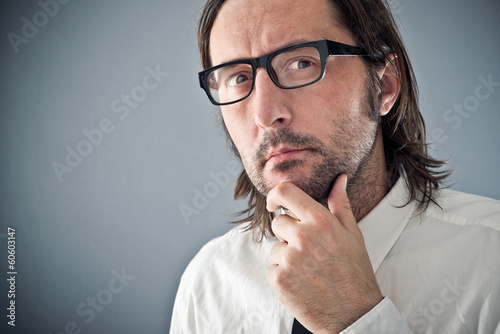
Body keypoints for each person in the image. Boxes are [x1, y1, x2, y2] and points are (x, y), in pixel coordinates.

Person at [170, 0, 500, 332]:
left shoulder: (491, 261)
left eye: (301, 63)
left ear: (383, 86)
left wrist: (357, 318)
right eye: (238, 78)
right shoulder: (209, 283)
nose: (265, 115)